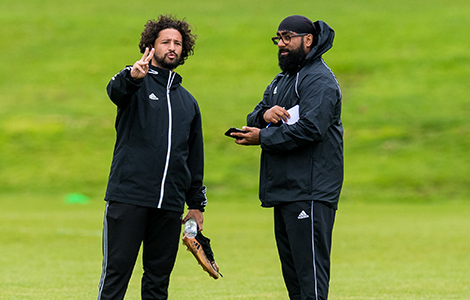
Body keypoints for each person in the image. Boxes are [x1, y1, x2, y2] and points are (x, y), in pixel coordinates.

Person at [231, 15, 343, 300]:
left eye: (287, 37)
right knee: (294, 278)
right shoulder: (283, 80)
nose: (280, 44)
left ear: (308, 40)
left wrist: (263, 137)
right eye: (278, 38)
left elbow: (311, 129)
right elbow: (255, 115)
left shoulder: (319, 79)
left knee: (311, 279)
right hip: (285, 190)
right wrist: (264, 116)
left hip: (310, 191)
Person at [98, 15, 207, 300]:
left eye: (177, 43)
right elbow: (116, 91)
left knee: (158, 282)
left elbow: (194, 159)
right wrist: (133, 77)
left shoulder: (188, 102)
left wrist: (196, 205)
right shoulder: (134, 80)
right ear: (151, 46)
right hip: (129, 197)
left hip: (169, 205)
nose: (172, 47)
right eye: (165, 42)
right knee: (116, 275)